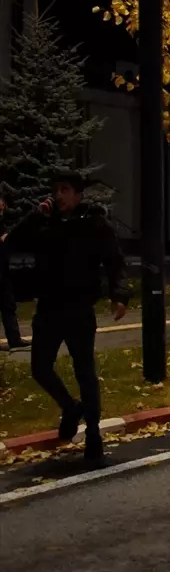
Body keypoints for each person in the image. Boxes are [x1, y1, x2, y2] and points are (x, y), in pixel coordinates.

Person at [1, 172, 129, 468]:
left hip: (79, 309)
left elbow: (114, 261)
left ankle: (94, 434)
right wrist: (34, 216)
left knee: (85, 371)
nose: (59, 196)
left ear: (78, 194)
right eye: (56, 190)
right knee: (39, 368)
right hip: (48, 308)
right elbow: (9, 244)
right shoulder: (44, 222)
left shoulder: (94, 224)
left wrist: (119, 295)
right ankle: (71, 408)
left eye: (65, 190)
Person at [0, 193, 29, 350]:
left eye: (2, 207)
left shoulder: (2, 223)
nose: (1, 210)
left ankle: (14, 339)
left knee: (8, 305)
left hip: (3, 272)